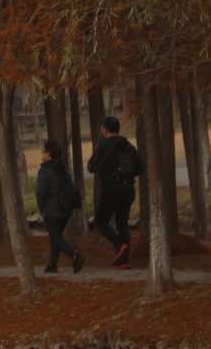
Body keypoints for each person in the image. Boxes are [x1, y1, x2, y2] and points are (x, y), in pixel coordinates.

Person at [86, 115, 144, 268]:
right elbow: (140, 168)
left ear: (105, 129)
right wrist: (126, 173)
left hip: (111, 190)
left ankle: (119, 245)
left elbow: (92, 167)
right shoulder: (128, 146)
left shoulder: (105, 146)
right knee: (122, 224)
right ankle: (124, 261)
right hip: (128, 190)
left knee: (100, 221)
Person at [35, 139, 85, 274]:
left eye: (43, 150)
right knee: (55, 236)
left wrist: (42, 208)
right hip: (66, 208)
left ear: (48, 153)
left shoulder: (44, 171)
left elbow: (40, 192)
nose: (41, 152)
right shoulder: (63, 168)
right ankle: (52, 264)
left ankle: (75, 256)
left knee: (56, 236)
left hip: (53, 209)